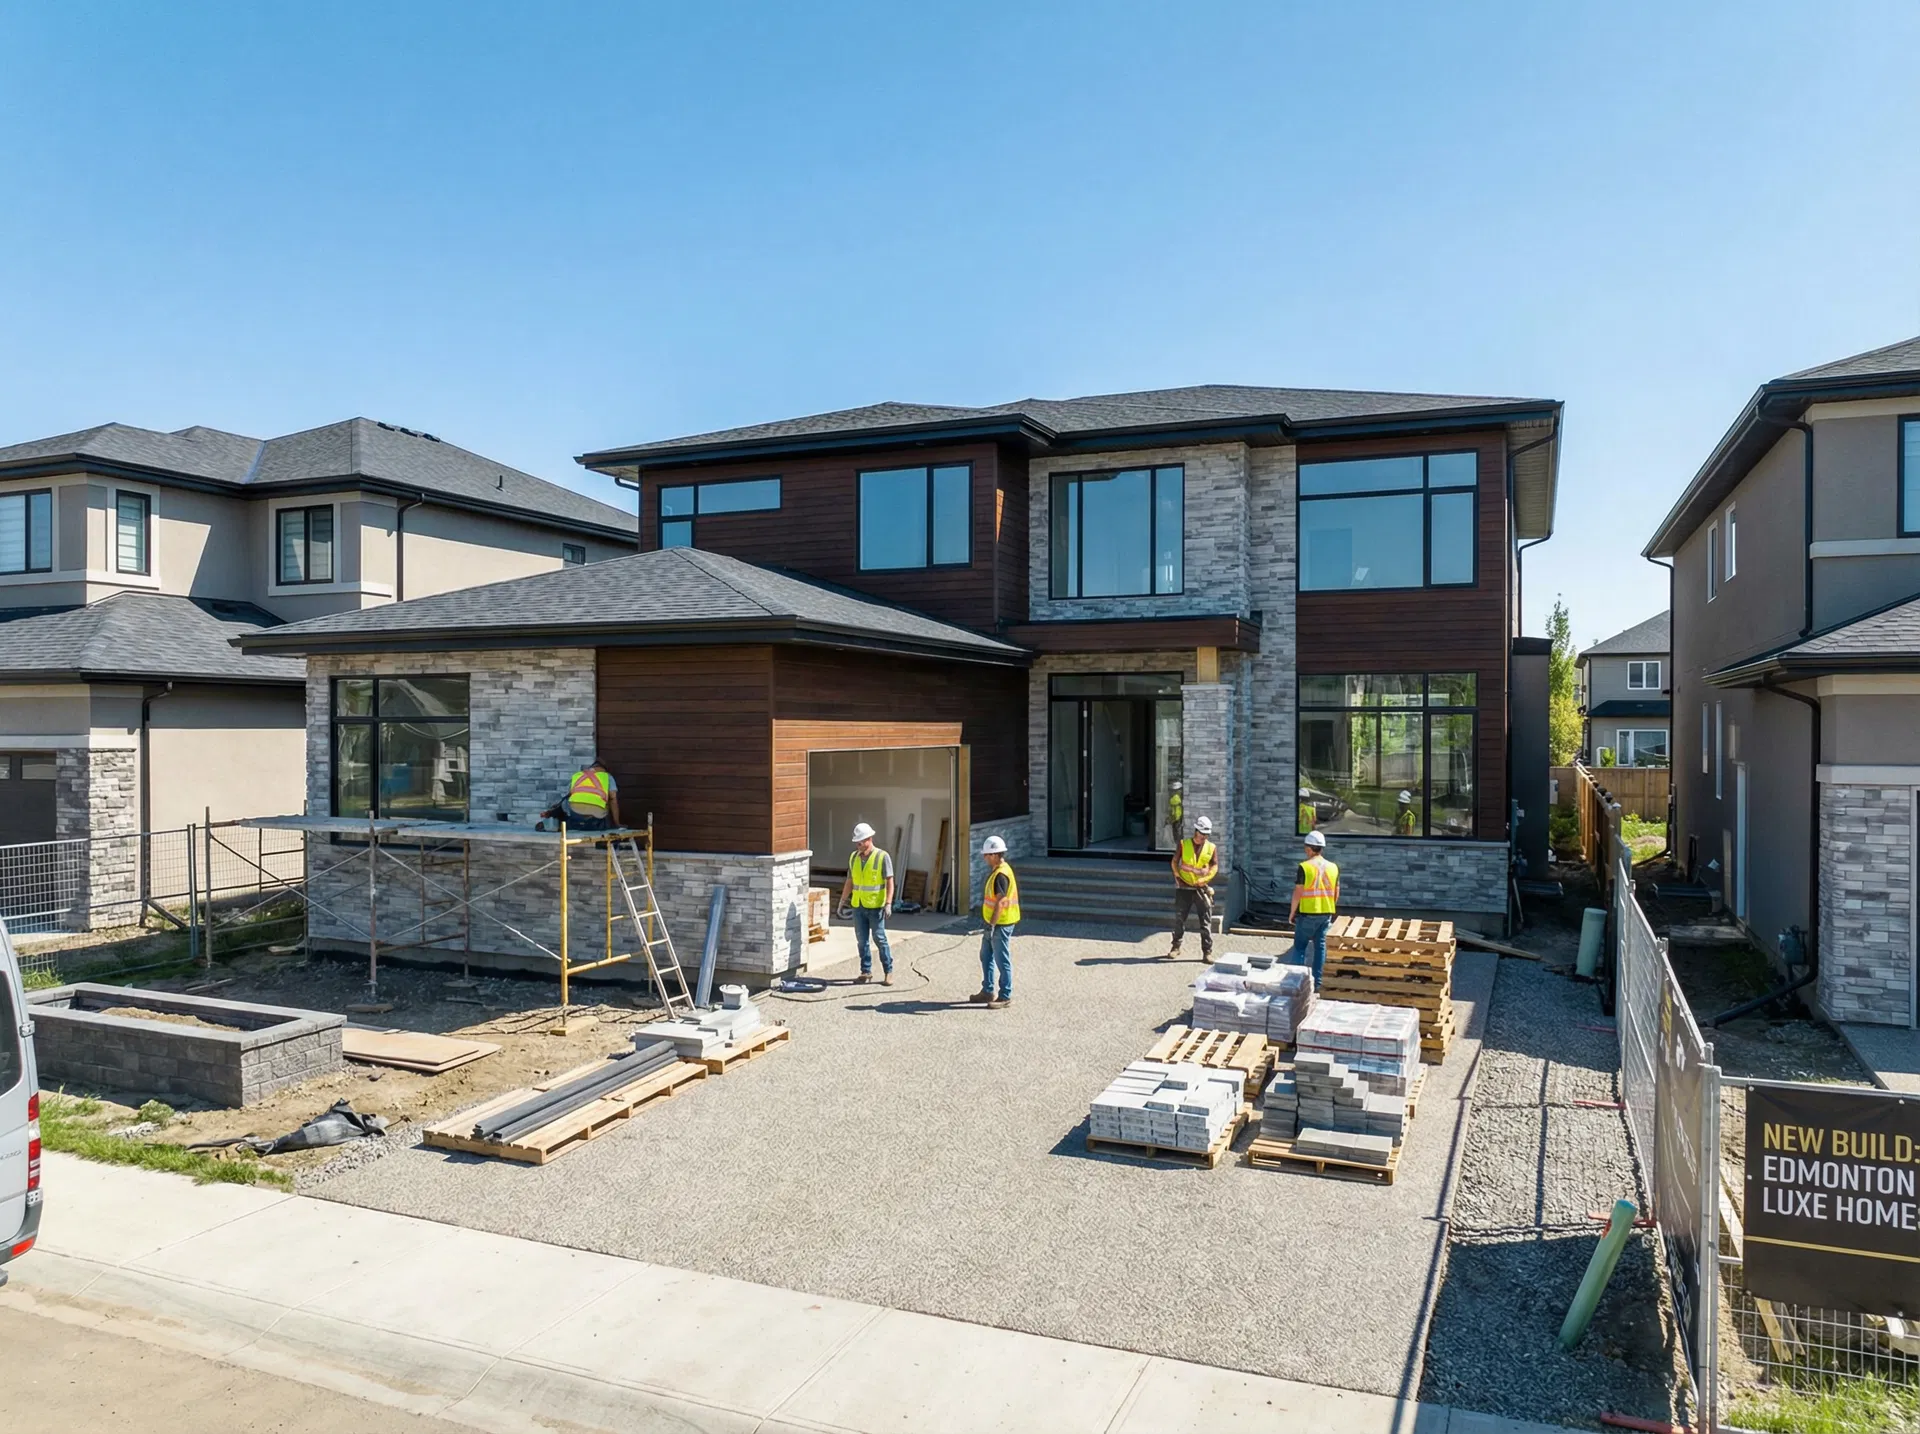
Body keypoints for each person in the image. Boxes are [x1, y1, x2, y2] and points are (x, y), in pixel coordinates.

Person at [837, 821, 895, 985]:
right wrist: (842, 901)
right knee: (862, 941)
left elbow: (890, 881)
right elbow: (850, 881)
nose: (858, 845)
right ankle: (865, 971)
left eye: (860, 842)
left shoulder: (882, 857)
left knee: (879, 938)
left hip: (876, 906)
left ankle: (888, 971)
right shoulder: (853, 857)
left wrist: (888, 903)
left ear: (869, 839)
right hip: (858, 905)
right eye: (857, 842)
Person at [971, 834, 1019, 1008]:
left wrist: (991, 924)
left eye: (986, 854)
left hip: (1000, 924)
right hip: (992, 923)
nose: (984, 857)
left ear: (994, 855)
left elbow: (1000, 902)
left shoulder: (1001, 875)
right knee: (986, 956)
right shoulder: (998, 871)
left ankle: (1005, 995)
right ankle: (987, 991)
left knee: (1001, 959)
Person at [1287, 830, 1339, 984]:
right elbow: (1336, 892)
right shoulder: (1333, 867)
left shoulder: (1305, 867)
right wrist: (1329, 906)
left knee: (1299, 947)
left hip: (1307, 913)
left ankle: (1296, 983)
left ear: (1309, 848)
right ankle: (1317, 984)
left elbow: (1298, 892)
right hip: (1326, 913)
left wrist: (1292, 912)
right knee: (1320, 948)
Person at [1164, 814, 1219, 961]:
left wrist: (1205, 879)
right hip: (1184, 887)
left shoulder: (1211, 847)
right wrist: (1177, 877)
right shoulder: (1184, 844)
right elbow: (1175, 861)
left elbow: (1214, 865)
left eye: (1206, 835)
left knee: (1205, 921)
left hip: (1201, 888)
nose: (1204, 837)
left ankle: (1207, 952)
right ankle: (1176, 947)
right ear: (1196, 831)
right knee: (1179, 919)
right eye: (1202, 834)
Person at [540, 757, 621, 832]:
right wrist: (617, 823)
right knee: (609, 800)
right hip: (596, 816)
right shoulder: (607, 777)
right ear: (605, 769)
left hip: (575, 813)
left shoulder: (578, 775)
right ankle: (604, 825)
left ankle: (558, 823)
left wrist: (552, 811)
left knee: (568, 801)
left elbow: (567, 795)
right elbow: (613, 800)